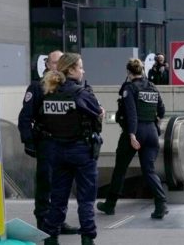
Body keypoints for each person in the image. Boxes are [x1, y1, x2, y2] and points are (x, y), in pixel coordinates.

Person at [38, 53, 103, 245]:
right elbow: (97, 116)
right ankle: (87, 238)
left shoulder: (49, 92)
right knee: (86, 198)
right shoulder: (80, 93)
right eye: (80, 67)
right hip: (81, 150)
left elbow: (42, 120)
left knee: (58, 197)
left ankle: (51, 237)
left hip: (57, 150)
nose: (83, 71)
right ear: (72, 69)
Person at [97, 58, 168, 219]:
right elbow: (162, 111)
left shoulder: (129, 88)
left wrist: (132, 134)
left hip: (135, 132)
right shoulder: (152, 87)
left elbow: (131, 113)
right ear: (142, 70)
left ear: (128, 73)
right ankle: (161, 203)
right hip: (151, 132)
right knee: (149, 170)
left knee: (120, 169)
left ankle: (110, 204)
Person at [17, 50, 79, 235]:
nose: (58, 66)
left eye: (61, 63)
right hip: (47, 143)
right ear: (47, 65)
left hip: (65, 143)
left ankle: (58, 221)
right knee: (46, 183)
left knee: (62, 184)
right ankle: (43, 221)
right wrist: (29, 142)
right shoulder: (38, 87)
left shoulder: (69, 87)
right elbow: (25, 118)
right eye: (54, 63)